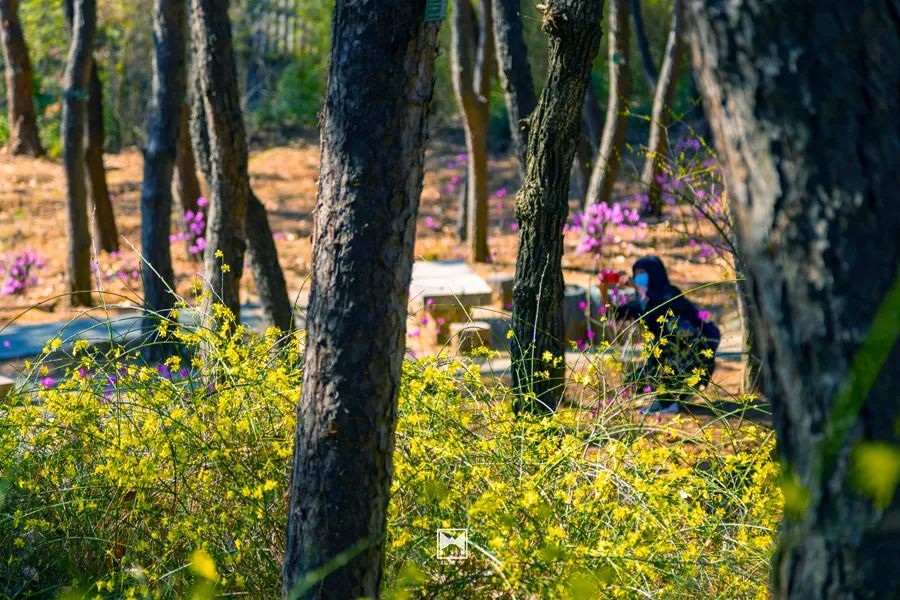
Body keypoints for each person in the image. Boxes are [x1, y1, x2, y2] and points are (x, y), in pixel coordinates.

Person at [600, 256, 721, 414]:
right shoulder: (641, 304)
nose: (638, 277)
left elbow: (661, 305)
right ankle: (667, 398)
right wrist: (603, 289)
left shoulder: (671, 293)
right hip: (663, 358)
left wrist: (635, 286)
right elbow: (611, 314)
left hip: (693, 356)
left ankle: (670, 400)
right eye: (636, 274)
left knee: (667, 337)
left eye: (643, 273)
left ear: (654, 273)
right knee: (634, 383)